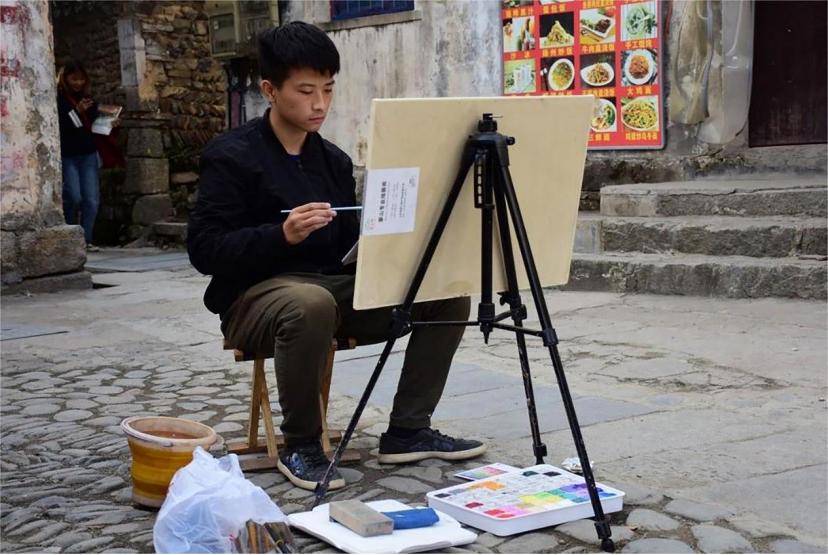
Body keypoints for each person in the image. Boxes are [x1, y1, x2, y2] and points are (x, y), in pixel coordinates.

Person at [187, 21, 485, 492]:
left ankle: (408, 430)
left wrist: (386, 242)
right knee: (310, 303)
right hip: (255, 299)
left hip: (331, 289)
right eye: (306, 91)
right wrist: (280, 235)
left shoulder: (334, 161)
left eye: (328, 89)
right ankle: (302, 444)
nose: (320, 104)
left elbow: (346, 249)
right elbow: (204, 249)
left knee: (446, 296)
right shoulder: (231, 155)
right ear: (270, 90)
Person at [57, 61, 101, 251]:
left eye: (81, 79)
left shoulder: (88, 99)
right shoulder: (60, 100)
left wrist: (109, 123)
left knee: (91, 199)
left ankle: (86, 239)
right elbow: (62, 126)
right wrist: (77, 112)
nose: (78, 83)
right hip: (68, 155)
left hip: (88, 154)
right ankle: (69, 236)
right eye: (74, 79)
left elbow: (93, 125)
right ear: (66, 79)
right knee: (73, 196)